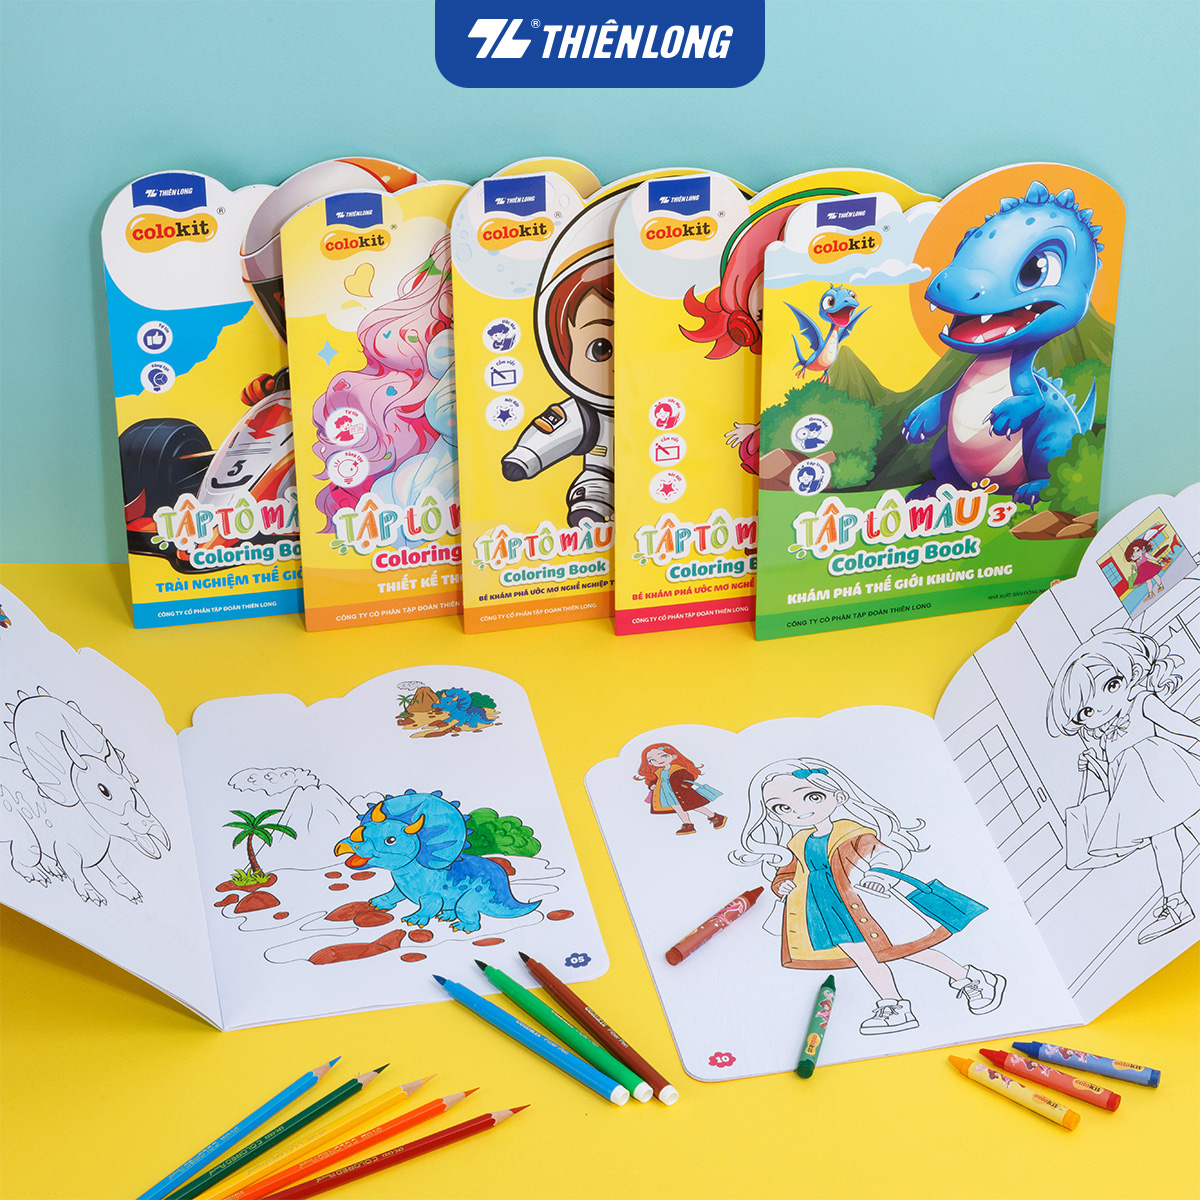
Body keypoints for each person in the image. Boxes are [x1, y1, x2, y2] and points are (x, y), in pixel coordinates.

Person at [731, 758, 1003, 1033]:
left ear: (838, 796)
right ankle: (894, 1005)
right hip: (824, 909)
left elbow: (885, 855)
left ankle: (971, 978)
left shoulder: (852, 832)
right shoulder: (797, 841)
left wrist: (879, 876)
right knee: (865, 958)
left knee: (906, 951)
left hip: (864, 903)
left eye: (812, 797)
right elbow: (787, 872)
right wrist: (782, 886)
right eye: (781, 808)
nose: (798, 811)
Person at [1047, 628, 1200, 942]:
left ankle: (1176, 903)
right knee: (1164, 842)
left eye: (1111, 685)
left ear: (1129, 674)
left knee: (1185, 825)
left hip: (1168, 774)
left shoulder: (1142, 702)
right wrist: (1095, 766)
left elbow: (1179, 725)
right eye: (1087, 711)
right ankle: (1175, 902)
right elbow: (1115, 782)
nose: (1101, 707)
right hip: (1144, 795)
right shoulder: (1105, 738)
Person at [634, 743, 726, 836]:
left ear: (673, 756)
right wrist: (652, 786)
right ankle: (687, 824)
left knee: (695, 806)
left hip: (682, 792)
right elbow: (654, 781)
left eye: (663, 756)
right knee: (678, 809)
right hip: (667, 794)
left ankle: (715, 816)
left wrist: (685, 785)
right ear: (650, 763)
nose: (659, 761)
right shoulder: (658, 772)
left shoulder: (678, 769)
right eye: (653, 760)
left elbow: (689, 777)